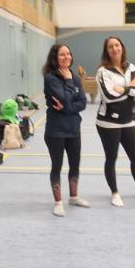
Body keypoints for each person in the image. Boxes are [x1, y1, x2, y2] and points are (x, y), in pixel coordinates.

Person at [95, 36, 135, 206]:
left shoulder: (131, 67)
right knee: (111, 158)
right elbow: (109, 97)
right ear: (107, 51)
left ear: (122, 47)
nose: (114, 49)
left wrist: (123, 89)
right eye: (110, 47)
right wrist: (131, 88)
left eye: (117, 45)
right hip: (108, 123)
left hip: (127, 120)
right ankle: (115, 193)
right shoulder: (103, 71)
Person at [42, 44, 90, 217]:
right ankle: (58, 202)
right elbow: (63, 98)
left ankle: (74, 197)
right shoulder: (51, 78)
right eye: (62, 54)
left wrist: (67, 107)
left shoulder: (75, 77)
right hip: (56, 131)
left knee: (75, 164)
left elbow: (82, 102)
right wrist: (69, 82)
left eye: (68, 54)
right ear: (55, 58)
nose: (66, 57)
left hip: (73, 129)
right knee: (57, 166)